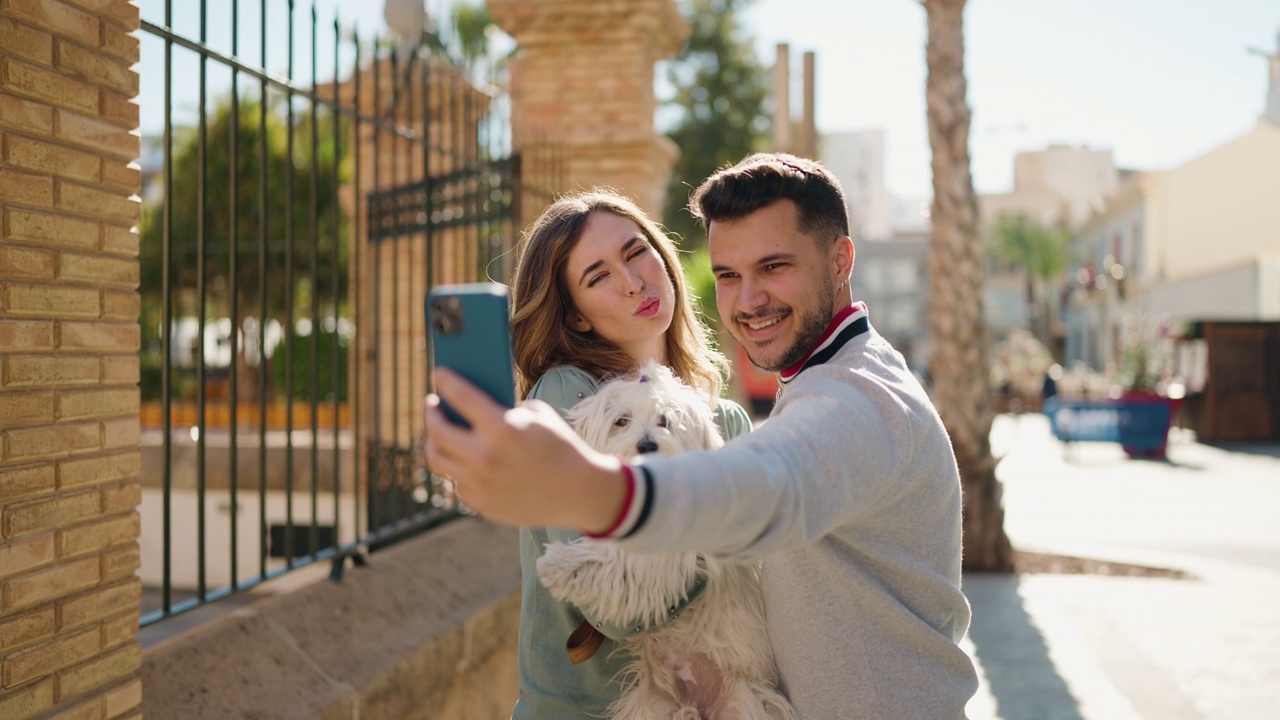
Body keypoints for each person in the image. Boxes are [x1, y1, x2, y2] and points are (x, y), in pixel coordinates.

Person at [424, 154, 979, 717]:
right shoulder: (579, 394)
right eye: (729, 275)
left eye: (774, 266)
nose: (749, 298)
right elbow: (632, 606)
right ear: (576, 316)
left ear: (840, 261)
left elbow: (771, 488)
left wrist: (589, 487)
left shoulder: (848, 396)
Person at [503, 190, 752, 718]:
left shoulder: (727, 420)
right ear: (576, 319)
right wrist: (726, 532)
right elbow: (614, 608)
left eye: (637, 252)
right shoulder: (568, 397)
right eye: (598, 277)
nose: (633, 281)